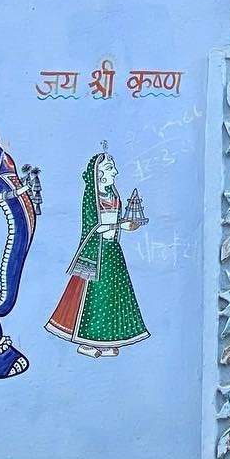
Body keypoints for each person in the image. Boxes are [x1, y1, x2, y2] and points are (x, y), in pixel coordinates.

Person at [46, 150, 149, 357]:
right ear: (98, 174)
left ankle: (108, 341)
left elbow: (113, 224)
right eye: (110, 168)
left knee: (114, 297)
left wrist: (123, 226)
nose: (115, 172)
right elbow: (93, 226)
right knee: (93, 298)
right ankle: (87, 343)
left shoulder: (114, 195)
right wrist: (120, 224)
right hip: (96, 253)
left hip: (112, 253)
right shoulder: (91, 197)